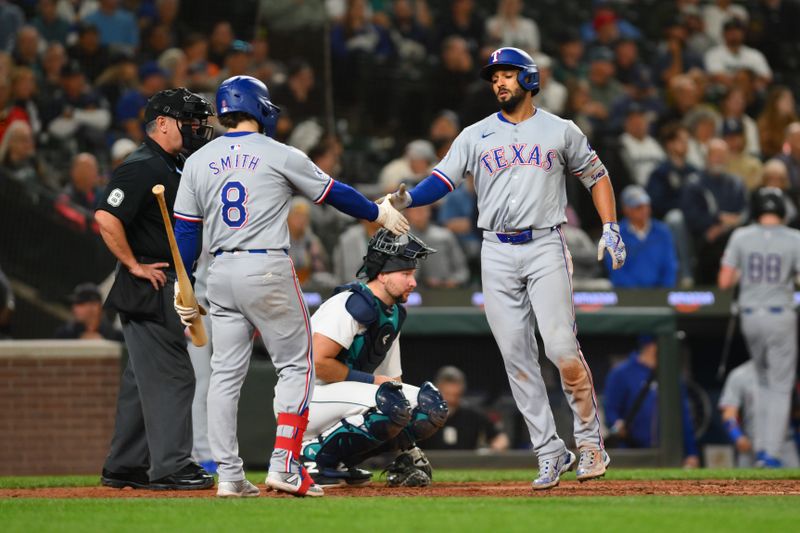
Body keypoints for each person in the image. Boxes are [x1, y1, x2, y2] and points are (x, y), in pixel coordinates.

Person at [387, 47, 626, 490]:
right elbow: (441, 179)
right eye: (494, 76)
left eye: (508, 74)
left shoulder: (561, 130)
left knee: (561, 350)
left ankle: (591, 441)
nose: (499, 82)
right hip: (495, 250)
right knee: (517, 358)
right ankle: (550, 451)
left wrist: (610, 226)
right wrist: (407, 199)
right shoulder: (475, 135)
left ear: (529, 79)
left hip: (544, 244)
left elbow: (598, 175)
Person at [171, 75, 408, 498]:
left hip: (218, 271)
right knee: (298, 366)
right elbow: (333, 193)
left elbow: (186, 231)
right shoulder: (278, 153)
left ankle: (228, 476)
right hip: (266, 267)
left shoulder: (197, 160)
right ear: (259, 108)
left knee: (225, 376)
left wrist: (183, 280)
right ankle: (284, 464)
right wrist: (378, 211)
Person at [94, 87, 216, 491]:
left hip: (162, 282)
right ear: (162, 123)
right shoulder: (143, 165)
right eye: (189, 121)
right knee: (174, 376)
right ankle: (170, 466)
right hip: (152, 284)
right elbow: (106, 217)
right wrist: (133, 265)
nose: (197, 128)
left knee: (140, 380)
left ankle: (125, 466)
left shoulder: (173, 162)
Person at [300, 228, 447, 487]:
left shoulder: (391, 313)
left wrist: (406, 447)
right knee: (389, 400)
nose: (413, 282)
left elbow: (393, 379)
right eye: (405, 274)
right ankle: (311, 455)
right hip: (308, 397)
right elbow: (318, 363)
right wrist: (372, 382)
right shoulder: (350, 303)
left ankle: (341, 460)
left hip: (343, 398)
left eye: (412, 274)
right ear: (382, 274)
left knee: (430, 406)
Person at [718, 187, 800, 467]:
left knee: (764, 381)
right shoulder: (794, 238)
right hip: (780, 316)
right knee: (780, 385)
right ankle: (771, 453)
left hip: (750, 317)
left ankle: (764, 450)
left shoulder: (741, 236)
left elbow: (725, 281)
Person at [603, 337, 700, 468]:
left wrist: (691, 452)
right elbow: (610, 409)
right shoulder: (622, 373)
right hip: (631, 451)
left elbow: (683, 416)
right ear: (652, 347)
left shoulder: (671, 375)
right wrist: (616, 424)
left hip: (667, 453)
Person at [719, 360, 800, 468]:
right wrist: (737, 436)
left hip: (785, 444)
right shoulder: (740, 374)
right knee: (743, 483)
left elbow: (796, 411)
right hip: (752, 445)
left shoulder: (787, 372)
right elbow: (729, 413)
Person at [607, 185, 678, 288]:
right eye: (638, 207)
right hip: (627, 297)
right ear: (626, 209)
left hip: (660, 296)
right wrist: (637, 294)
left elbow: (670, 266)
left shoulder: (662, 232)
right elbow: (617, 271)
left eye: (646, 205)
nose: (644, 210)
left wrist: (664, 292)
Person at [424, 365, 509, 451]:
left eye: (456, 395)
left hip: (467, 463)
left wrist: (491, 451)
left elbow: (500, 439)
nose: (451, 400)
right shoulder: (424, 415)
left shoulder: (472, 415)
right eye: (446, 394)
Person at [54, 282, 122, 341]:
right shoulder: (64, 334)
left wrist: (104, 342)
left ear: (95, 307)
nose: (74, 308)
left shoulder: (117, 337)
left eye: (80, 304)